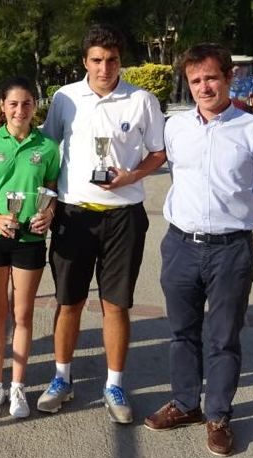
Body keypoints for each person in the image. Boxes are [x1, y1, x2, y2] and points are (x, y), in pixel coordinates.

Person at [144, 43, 253, 457]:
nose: (204, 87)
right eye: (195, 80)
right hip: (181, 245)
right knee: (182, 332)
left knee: (223, 337)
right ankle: (186, 404)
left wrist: (228, 217)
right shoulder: (175, 128)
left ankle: (217, 415)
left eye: (211, 78)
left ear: (228, 78)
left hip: (231, 250)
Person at [38, 24, 167, 423]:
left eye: (111, 60)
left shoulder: (142, 100)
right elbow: (47, 150)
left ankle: (114, 384)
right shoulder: (64, 98)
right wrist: (46, 202)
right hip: (74, 215)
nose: (104, 67)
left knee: (116, 305)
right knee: (69, 302)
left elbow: (159, 153)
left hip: (124, 216)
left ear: (120, 61)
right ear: (84, 62)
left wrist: (130, 176)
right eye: (96, 60)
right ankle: (62, 378)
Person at [0, 77, 59, 418]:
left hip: (30, 240)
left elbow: (51, 194)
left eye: (27, 104)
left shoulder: (47, 147)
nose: (20, 110)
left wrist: (48, 214)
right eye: (13, 104)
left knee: (22, 315)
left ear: (35, 106)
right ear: (2, 106)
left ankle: (18, 387)